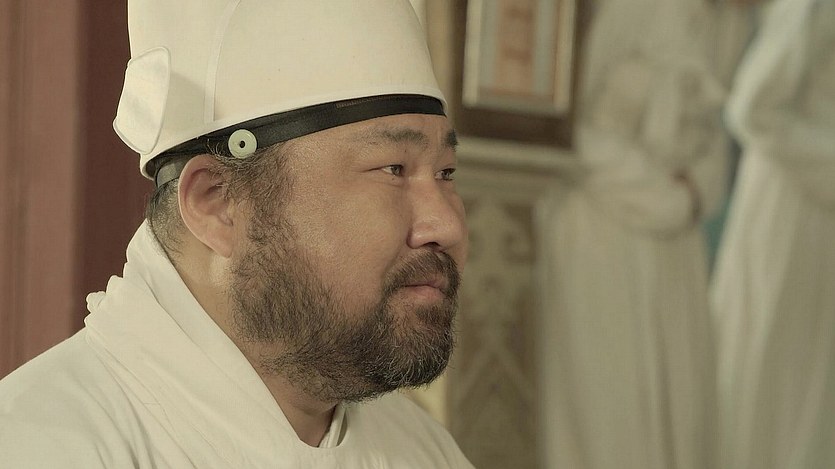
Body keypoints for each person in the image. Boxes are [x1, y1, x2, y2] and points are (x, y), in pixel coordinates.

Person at [0, 1, 473, 467]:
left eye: (446, 173)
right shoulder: (41, 445)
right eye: (393, 169)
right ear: (217, 202)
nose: (447, 226)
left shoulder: (425, 453)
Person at [539, 0, 728, 467]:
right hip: (601, 229)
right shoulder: (623, 14)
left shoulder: (712, 20)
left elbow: (713, 138)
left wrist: (695, 194)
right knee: (611, 396)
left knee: (679, 399)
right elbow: (575, 130)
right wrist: (663, 197)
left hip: (674, 248)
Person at [711, 0, 835, 467]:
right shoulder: (813, 7)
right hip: (792, 212)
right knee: (775, 369)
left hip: (820, 215)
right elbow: (751, 108)